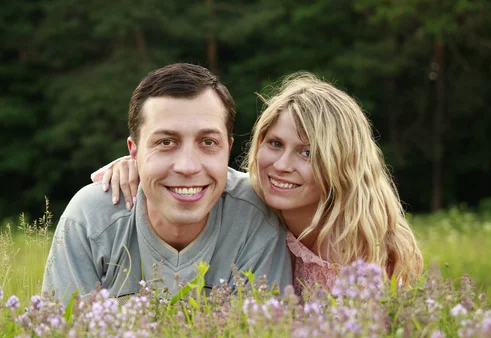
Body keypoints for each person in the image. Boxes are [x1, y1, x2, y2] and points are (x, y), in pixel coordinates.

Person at [92, 72, 423, 298]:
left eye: (307, 152)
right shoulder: (247, 205)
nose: (281, 165)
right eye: (275, 144)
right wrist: (135, 164)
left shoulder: (364, 244)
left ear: (342, 162)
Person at [43, 63, 292, 305]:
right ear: (134, 151)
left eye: (207, 142)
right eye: (165, 142)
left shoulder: (255, 216)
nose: (187, 167)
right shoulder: (89, 220)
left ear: (227, 148)